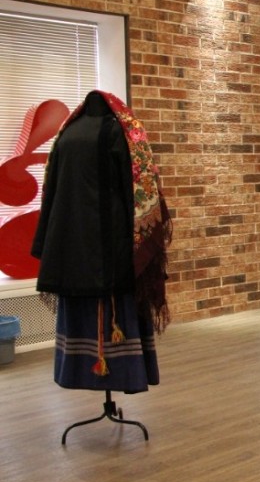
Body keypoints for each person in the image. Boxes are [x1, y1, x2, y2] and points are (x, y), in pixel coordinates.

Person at [31, 90, 171, 393]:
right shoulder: (126, 132)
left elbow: (50, 196)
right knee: (115, 312)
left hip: (71, 249)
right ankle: (124, 375)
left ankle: (79, 373)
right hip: (114, 250)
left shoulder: (65, 134)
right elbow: (140, 193)